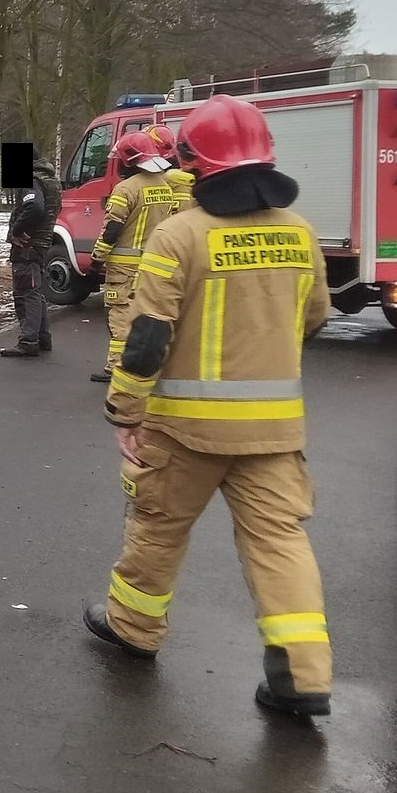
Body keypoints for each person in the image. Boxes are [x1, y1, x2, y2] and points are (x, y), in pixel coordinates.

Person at [86, 95, 334, 722]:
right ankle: (302, 678)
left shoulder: (181, 236)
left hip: (185, 430)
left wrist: (126, 412)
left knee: (158, 528)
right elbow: (315, 318)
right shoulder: (300, 233)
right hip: (275, 434)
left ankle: (134, 629)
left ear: (198, 162)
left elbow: (147, 339)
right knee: (280, 544)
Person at [87, 128, 190, 385]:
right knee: (147, 314)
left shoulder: (125, 189)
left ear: (127, 159)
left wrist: (97, 258)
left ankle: (117, 368)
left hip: (124, 268)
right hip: (152, 263)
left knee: (120, 315)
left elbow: (112, 229)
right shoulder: (165, 186)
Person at [0, 155, 63, 358]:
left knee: (26, 292)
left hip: (28, 246)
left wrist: (17, 230)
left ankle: (28, 341)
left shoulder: (33, 180)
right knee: (36, 291)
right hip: (41, 244)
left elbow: (35, 207)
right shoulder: (51, 181)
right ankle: (42, 337)